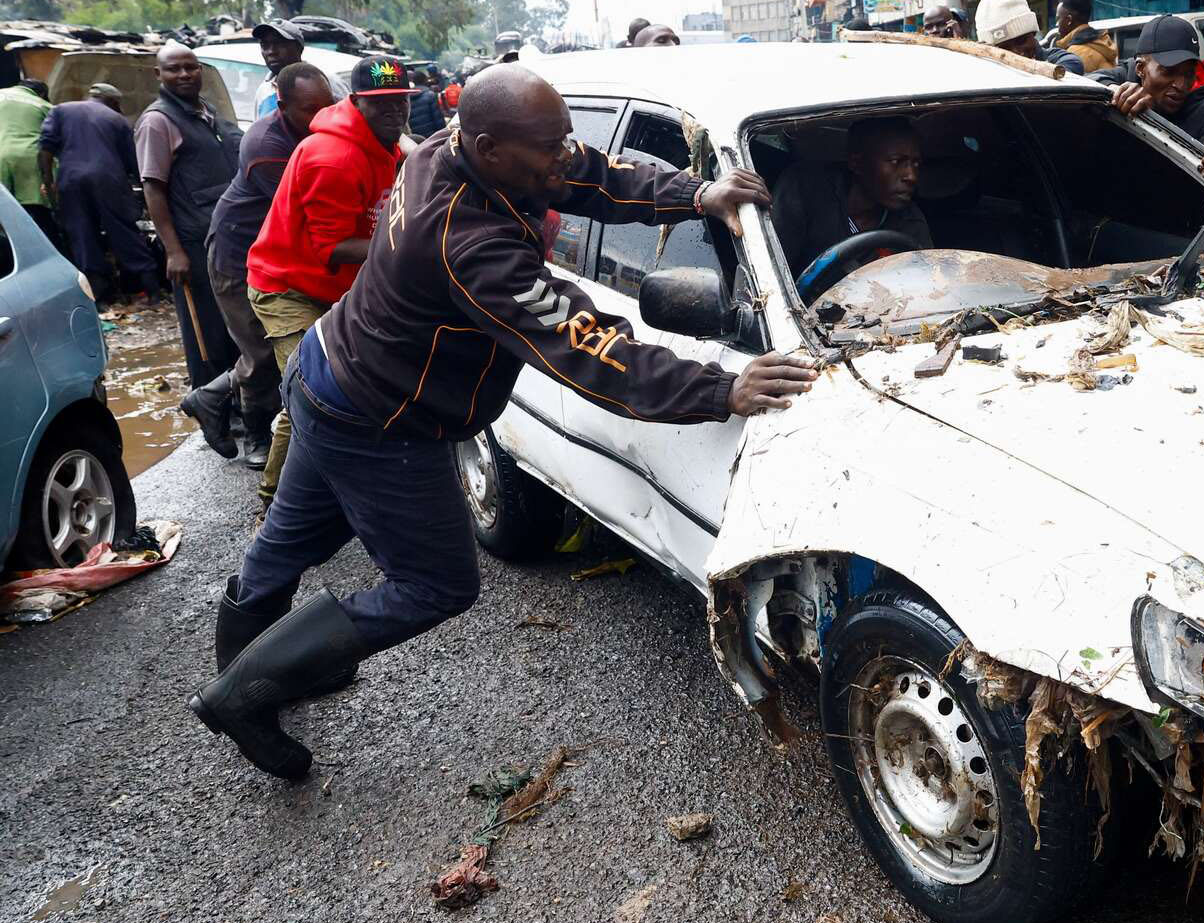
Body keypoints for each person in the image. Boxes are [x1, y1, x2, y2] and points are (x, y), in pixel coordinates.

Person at [188, 64, 813, 781]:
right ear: (487, 149)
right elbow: (590, 350)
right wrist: (723, 387)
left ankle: (242, 678)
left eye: (560, 140)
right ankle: (246, 692)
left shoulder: (457, 149)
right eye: (546, 147)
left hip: (331, 368)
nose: (561, 156)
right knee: (436, 584)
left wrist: (694, 194)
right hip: (380, 416)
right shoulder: (467, 241)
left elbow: (584, 173)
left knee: (291, 538)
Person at [244, 55, 413, 507]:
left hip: (335, 287)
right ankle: (273, 502)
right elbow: (333, 248)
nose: (395, 111)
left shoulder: (386, 143)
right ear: (356, 102)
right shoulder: (333, 158)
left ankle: (343, 480)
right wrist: (408, 244)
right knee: (306, 391)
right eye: (383, 104)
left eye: (402, 101)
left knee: (359, 382)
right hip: (286, 286)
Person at [204, 63, 336, 471]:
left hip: (277, 252)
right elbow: (310, 210)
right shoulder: (266, 146)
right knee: (262, 352)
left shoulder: (318, 131)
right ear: (282, 105)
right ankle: (257, 436)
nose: (322, 116)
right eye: (310, 109)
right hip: (239, 254)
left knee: (274, 349)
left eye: (327, 106)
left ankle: (211, 395)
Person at [137, 42, 243, 419]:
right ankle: (214, 411)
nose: (184, 75)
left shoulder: (206, 113)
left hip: (225, 237)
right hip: (192, 243)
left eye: (191, 67)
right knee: (206, 334)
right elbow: (154, 187)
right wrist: (173, 250)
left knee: (235, 326)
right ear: (158, 75)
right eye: (174, 69)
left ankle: (240, 405)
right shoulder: (158, 121)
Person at [773, 116, 931, 280]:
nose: (911, 176)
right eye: (896, 161)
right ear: (856, 163)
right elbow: (770, 269)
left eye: (916, 163)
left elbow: (924, 284)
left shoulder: (910, 221)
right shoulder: (805, 191)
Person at [38, 84, 155, 302]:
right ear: (114, 102)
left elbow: (44, 150)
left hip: (70, 180)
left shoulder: (61, 110)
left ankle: (99, 296)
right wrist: (145, 195)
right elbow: (135, 163)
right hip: (110, 180)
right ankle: (153, 290)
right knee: (123, 231)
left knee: (82, 233)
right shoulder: (117, 119)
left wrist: (48, 182)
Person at [1091, 14, 1204, 181]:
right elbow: (1085, 80)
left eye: (1189, 74)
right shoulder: (1120, 79)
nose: (1181, 85)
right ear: (1140, 68)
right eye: (1169, 71)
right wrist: (1113, 91)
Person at [0, 78, 56, 243]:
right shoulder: (44, 105)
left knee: (4, 211)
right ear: (42, 93)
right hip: (30, 159)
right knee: (37, 213)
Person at [975, 0, 1085, 74]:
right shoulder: (985, 74)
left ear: (1033, 34)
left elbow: (1070, 68)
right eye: (1004, 48)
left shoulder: (1063, 61)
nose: (1017, 52)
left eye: (1021, 41)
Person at [1044, 0, 1116, 73]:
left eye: (1058, 19)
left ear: (1069, 20)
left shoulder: (1075, 55)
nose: (1057, 24)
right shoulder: (1101, 42)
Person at [249, 20, 308, 120]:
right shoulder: (264, 91)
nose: (271, 52)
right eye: (265, 45)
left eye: (279, 44)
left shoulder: (324, 83)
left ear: (299, 48)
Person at [408, 68, 447, 138]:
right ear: (425, 80)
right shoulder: (430, 95)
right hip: (433, 137)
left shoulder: (407, 98)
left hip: (417, 139)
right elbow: (438, 120)